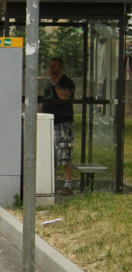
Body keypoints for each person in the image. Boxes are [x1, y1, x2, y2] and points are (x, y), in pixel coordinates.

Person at [42, 56, 76, 195]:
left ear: (62, 69)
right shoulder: (49, 83)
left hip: (62, 122)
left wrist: (56, 85)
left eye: (55, 67)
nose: (52, 70)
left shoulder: (66, 82)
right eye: (50, 67)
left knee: (64, 154)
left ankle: (67, 186)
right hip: (49, 121)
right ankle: (52, 184)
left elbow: (64, 97)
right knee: (50, 155)